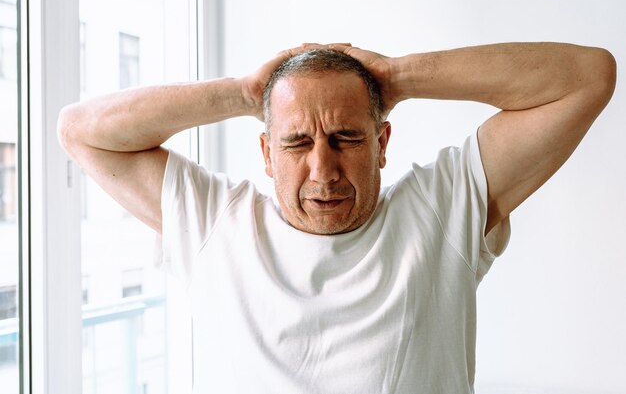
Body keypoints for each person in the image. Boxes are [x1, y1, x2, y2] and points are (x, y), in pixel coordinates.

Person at [58, 42, 616, 393]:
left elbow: (588, 75)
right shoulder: (214, 221)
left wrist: (396, 76)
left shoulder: (443, 206)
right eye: (297, 142)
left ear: (382, 142)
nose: (323, 170)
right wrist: (244, 91)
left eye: (347, 138)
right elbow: (80, 130)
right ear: (265, 153)